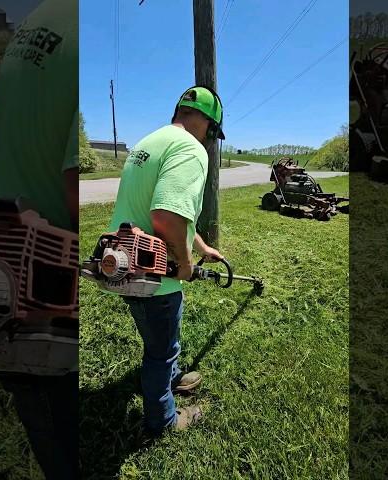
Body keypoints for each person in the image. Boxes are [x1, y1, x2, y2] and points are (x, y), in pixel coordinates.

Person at [0, 0, 79, 478]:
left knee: (42, 417)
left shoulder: (44, 14)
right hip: (41, 290)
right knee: (67, 443)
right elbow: (76, 182)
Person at [109, 85, 226, 435]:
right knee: (160, 351)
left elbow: (166, 209)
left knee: (158, 338)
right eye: (213, 133)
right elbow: (166, 216)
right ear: (205, 121)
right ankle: (162, 420)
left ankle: (172, 376)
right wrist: (187, 264)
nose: (209, 141)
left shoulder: (149, 142)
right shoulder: (191, 150)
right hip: (154, 275)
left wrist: (202, 248)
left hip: (124, 262)